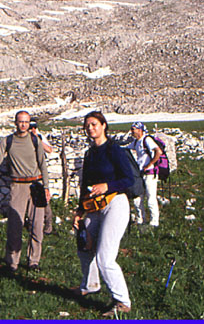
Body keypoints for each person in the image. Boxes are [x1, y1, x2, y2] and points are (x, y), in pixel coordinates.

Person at [72, 110, 134, 317]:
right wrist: (79, 211)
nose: (91, 128)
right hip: (93, 206)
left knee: (105, 257)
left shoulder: (114, 150)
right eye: (87, 125)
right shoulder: (90, 154)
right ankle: (90, 285)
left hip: (115, 203)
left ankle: (122, 301)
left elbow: (129, 179)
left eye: (94, 124)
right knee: (84, 245)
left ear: (104, 125)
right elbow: (85, 185)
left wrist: (107, 185)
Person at [0, 110, 50, 272]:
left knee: (37, 225)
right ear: (15, 123)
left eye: (26, 122)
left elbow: (42, 163)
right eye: (21, 122)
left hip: (36, 186)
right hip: (17, 186)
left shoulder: (35, 140)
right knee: (14, 226)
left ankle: (34, 261)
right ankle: (12, 262)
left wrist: (46, 186)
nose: (24, 124)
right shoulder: (8, 141)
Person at [125, 121, 163, 228]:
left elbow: (158, 151)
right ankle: (141, 219)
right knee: (138, 196)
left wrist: (150, 164)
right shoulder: (136, 142)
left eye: (134, 129)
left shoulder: (147, 140)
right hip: (141, 173)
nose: (132, 131)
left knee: (151, 197)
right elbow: (126, 148)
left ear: (140, 130)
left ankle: (154, 222)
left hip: (150, 173)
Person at [30, 121, 55, 235]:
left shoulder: (39, 137)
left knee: (45, 201)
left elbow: (49, 149)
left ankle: (48, 226)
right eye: (31, 127)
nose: (33, 129)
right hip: (29, 173)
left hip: (39, 173)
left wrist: (37, 140)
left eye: (34, 127)